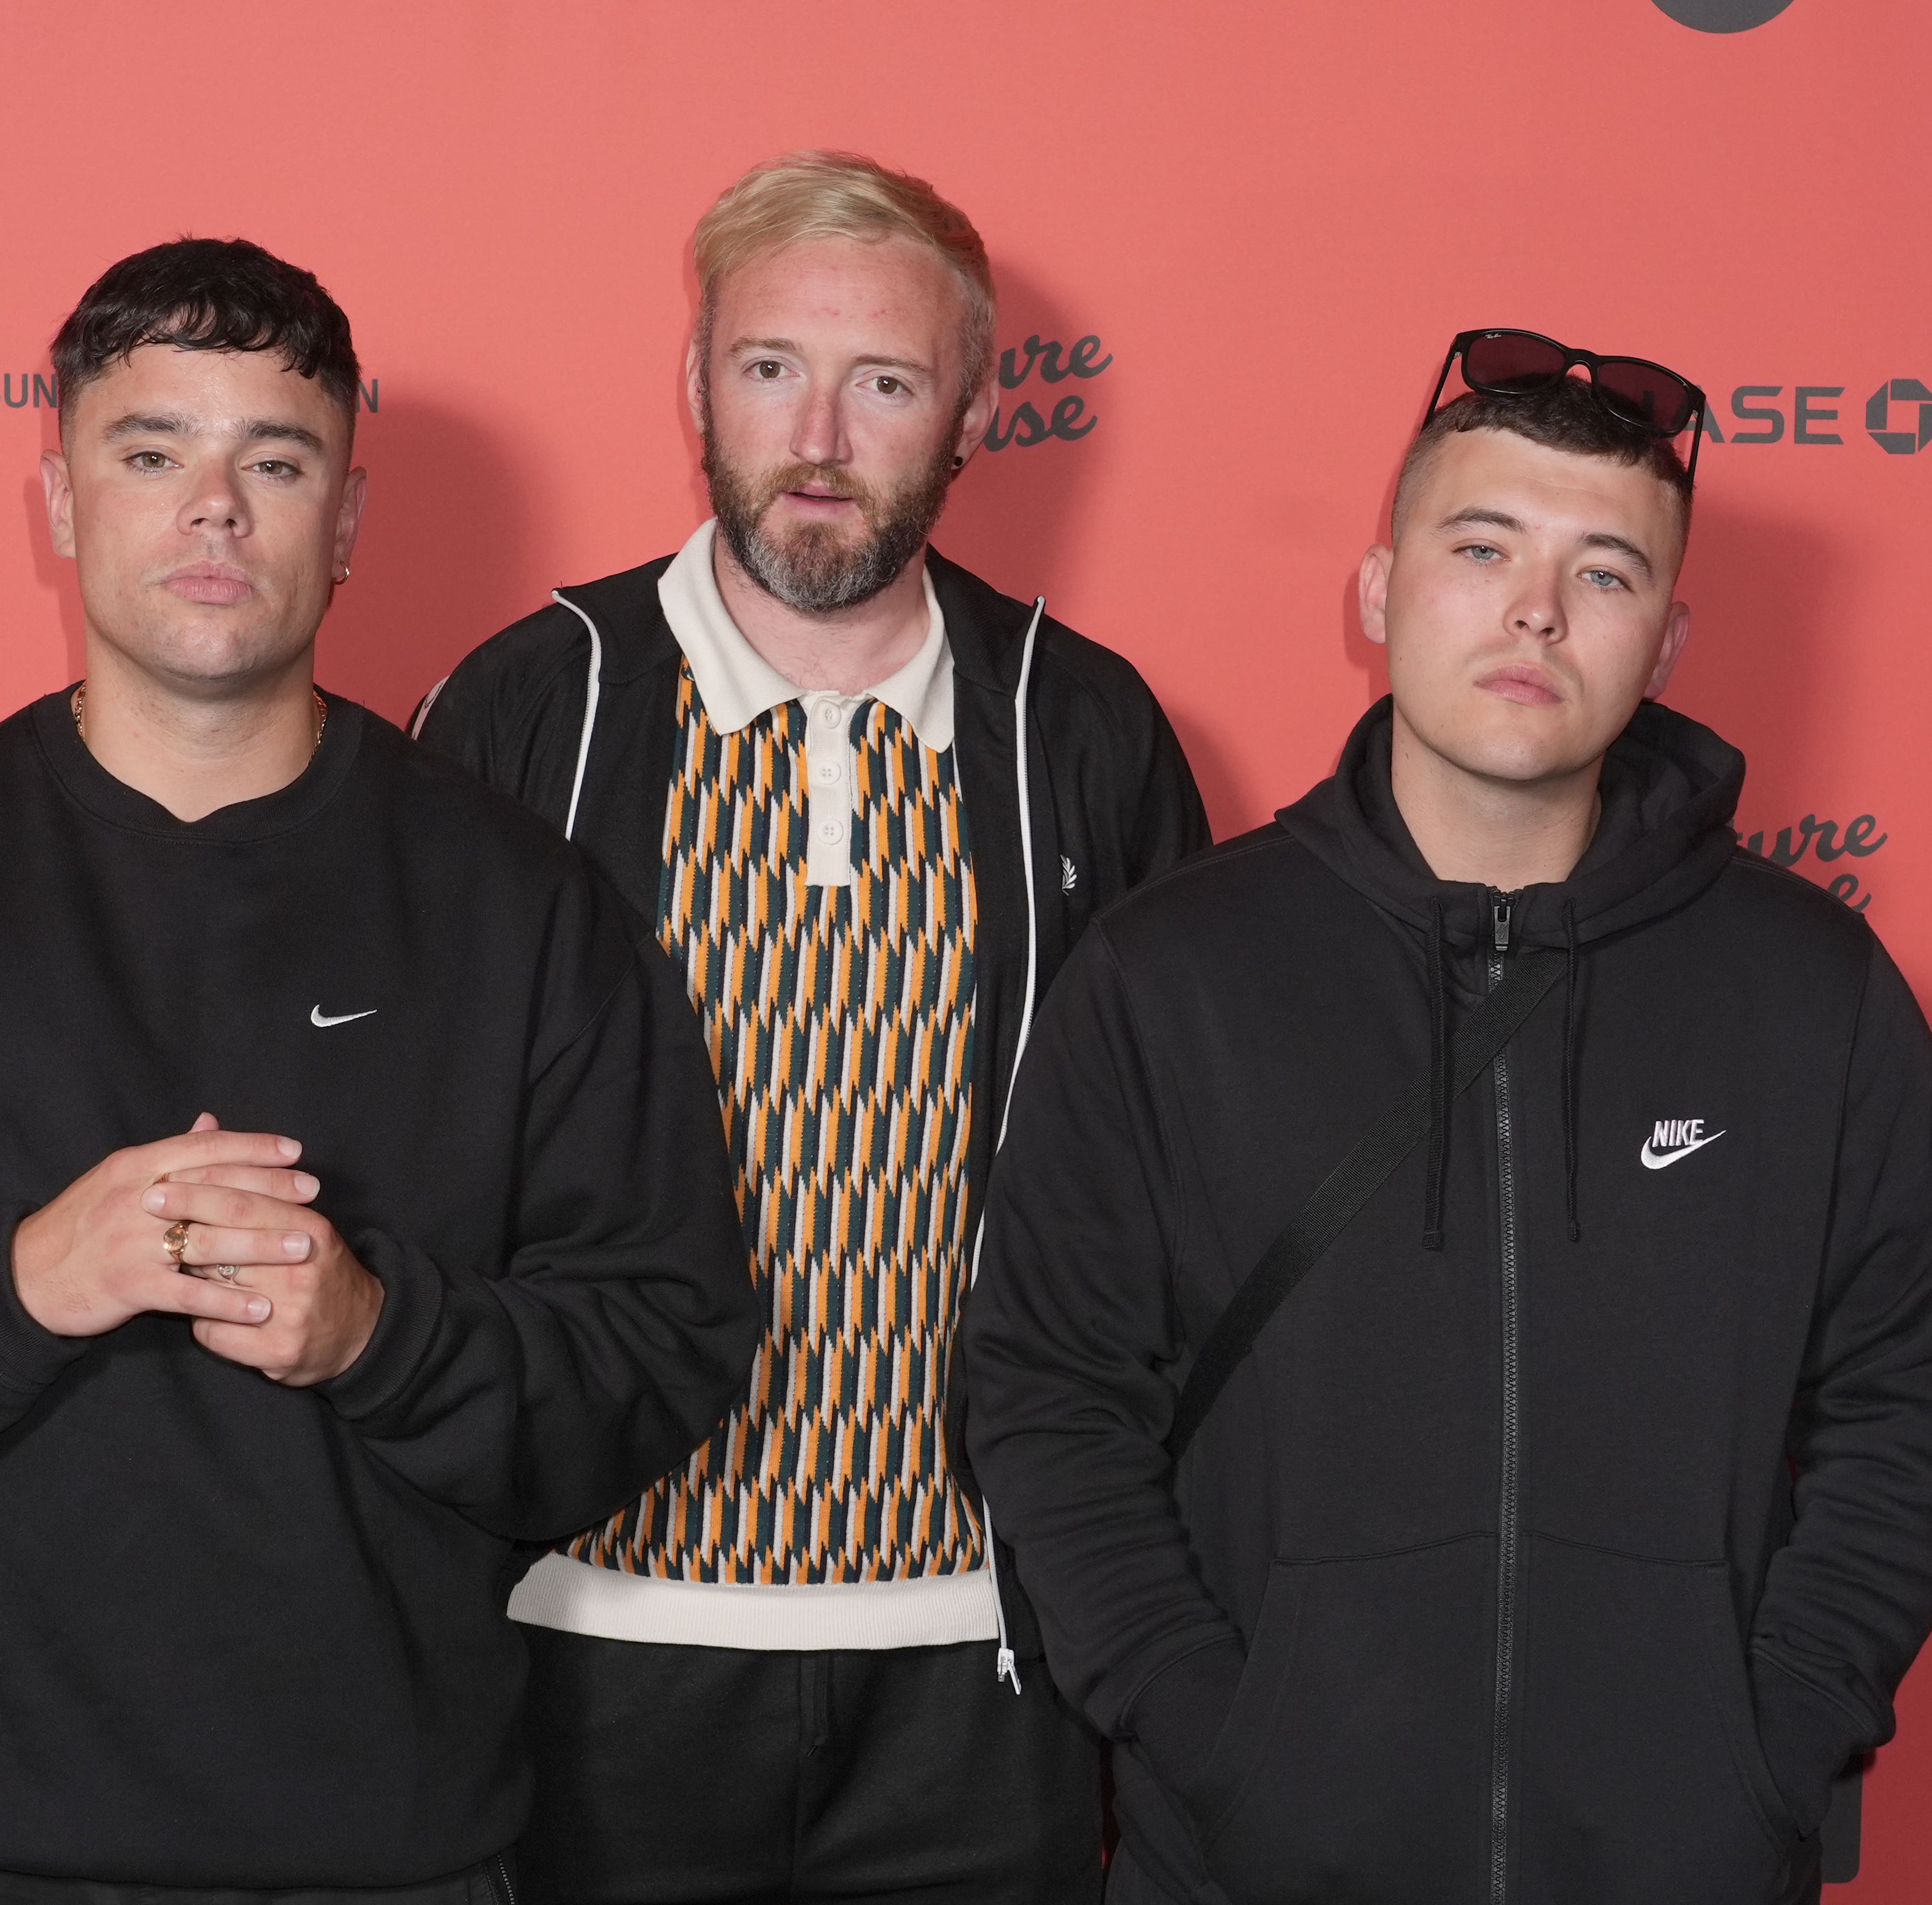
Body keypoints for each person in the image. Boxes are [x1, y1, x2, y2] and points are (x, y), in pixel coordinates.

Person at [0, 237, 758, 1905]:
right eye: (152, 453)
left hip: (383, 1855)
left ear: (347, 522)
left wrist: (380, 1330)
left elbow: (661, 1349)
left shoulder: (522, 909)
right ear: (60, 502)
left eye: (274, 463)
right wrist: (20, 1281)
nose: (214, 509)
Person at [961, 332, 1932, 1904]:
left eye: (1605, 571)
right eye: (1483, 547)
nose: (1537, 608)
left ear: (1665, 640)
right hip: (1249, 1862)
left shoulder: (1810, 989)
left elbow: (1918, 1382)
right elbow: (1048, 1392)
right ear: (1380, 595)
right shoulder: (1171, 973)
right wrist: (1211, 1731)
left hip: (1688, 1860)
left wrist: (1773, 1730)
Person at [413, 152, 1209, 1902]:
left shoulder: (1081, 730)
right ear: (696, 384)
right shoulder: (531, 706)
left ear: (977, 413)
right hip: (584, 1635)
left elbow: (1178, 1204)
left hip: (981, 1663)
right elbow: (412, 1159)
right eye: (772, 367)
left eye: (888, 382)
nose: (823, 437)